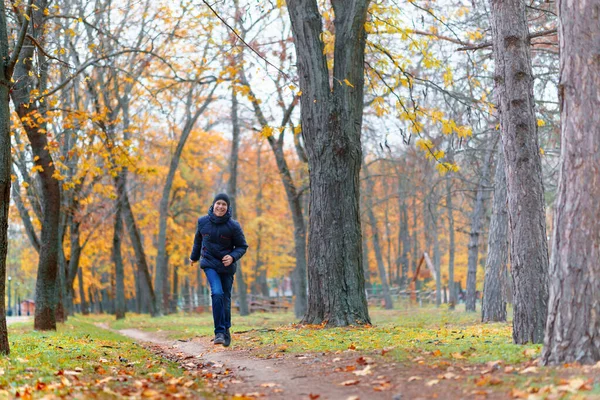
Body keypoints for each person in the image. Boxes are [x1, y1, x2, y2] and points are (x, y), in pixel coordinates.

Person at [190, 193, 248, 347]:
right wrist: (194, 257)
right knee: (217, 293)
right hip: (209, 263)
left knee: (226, 298)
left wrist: (232, 257)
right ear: (213, 204)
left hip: (227, 266)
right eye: (218, 203)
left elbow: (242, 246)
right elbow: (198, 240)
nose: (220, 207)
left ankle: (226, 330)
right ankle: (219, 332)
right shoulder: (202, 222)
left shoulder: (233, 226)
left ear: (227, 207)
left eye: (224, 204)